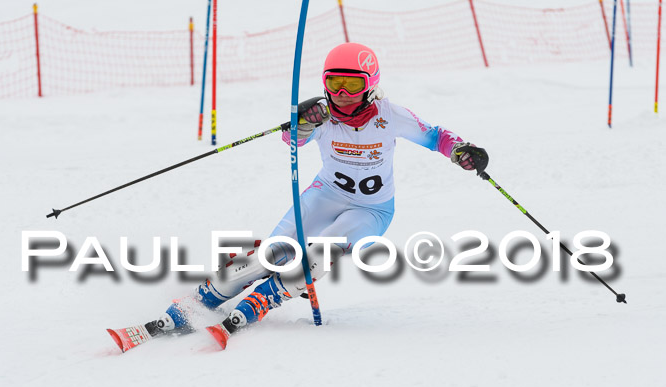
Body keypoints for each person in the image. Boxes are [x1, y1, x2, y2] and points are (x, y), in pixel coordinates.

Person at [107, 42, 488, 353]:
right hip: (323, 197)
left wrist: (461, 152)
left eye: (352, 86)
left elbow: (436, 135)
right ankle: (203, 299)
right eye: (334, 83)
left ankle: (262, 300)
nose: (342, 94)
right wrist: (301, 122)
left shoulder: (391, 115)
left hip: (371, 210)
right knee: (273, 253)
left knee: (319, 254)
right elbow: (294, 140)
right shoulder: (322, 116)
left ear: (370, 85)